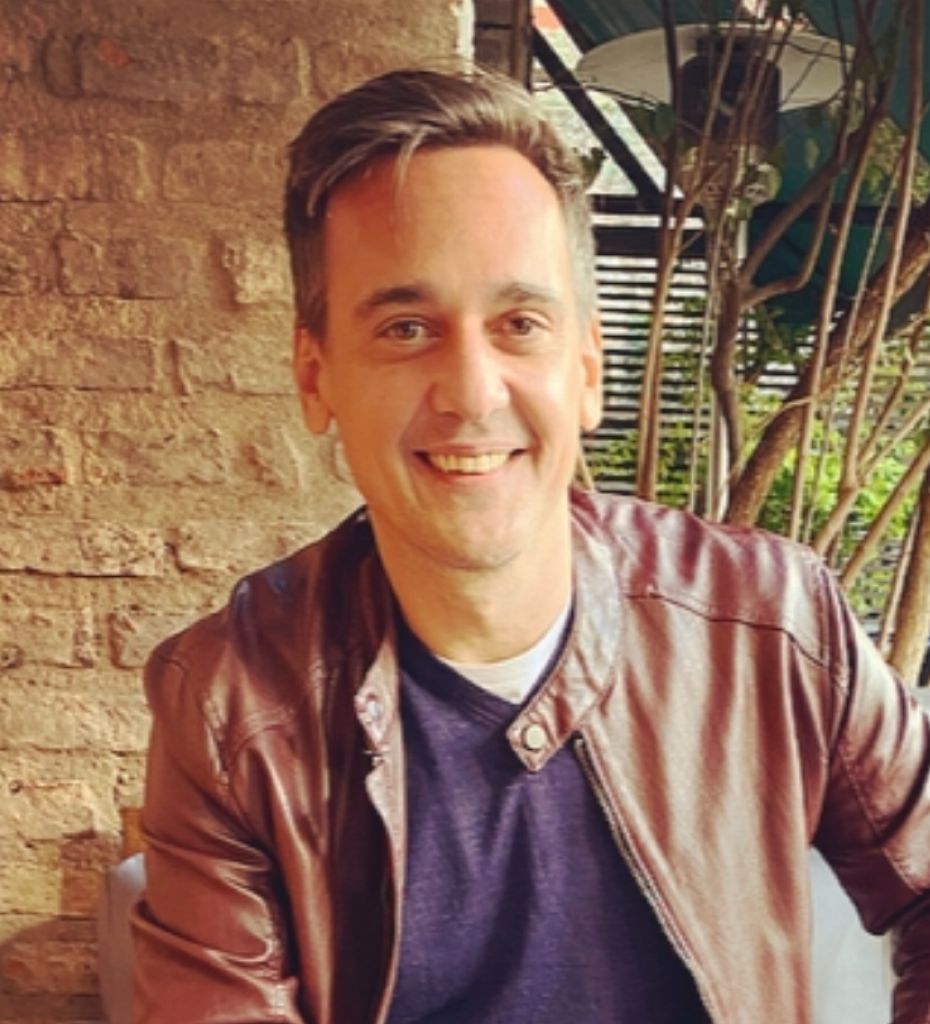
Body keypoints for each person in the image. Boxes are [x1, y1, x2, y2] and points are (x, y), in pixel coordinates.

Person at [132, 67, 930, 1023]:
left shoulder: (772, 620)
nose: (472, 392)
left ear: (586, 368)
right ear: (317, 378)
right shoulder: (230, 703)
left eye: (519, 324)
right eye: (406, 327)